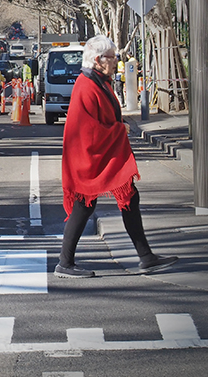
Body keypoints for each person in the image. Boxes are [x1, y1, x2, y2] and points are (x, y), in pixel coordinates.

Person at [54, 35, 178, 278]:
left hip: (96, 156)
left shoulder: (98, 81)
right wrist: (119, 129)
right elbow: (88, 130)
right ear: (98, 60)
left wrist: (117, 126)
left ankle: (145, 256)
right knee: (84, 205)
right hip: (89, 158)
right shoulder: (87, 85)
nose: (116, 62)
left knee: (124, 199)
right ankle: (65, 262)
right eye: (112, 57)